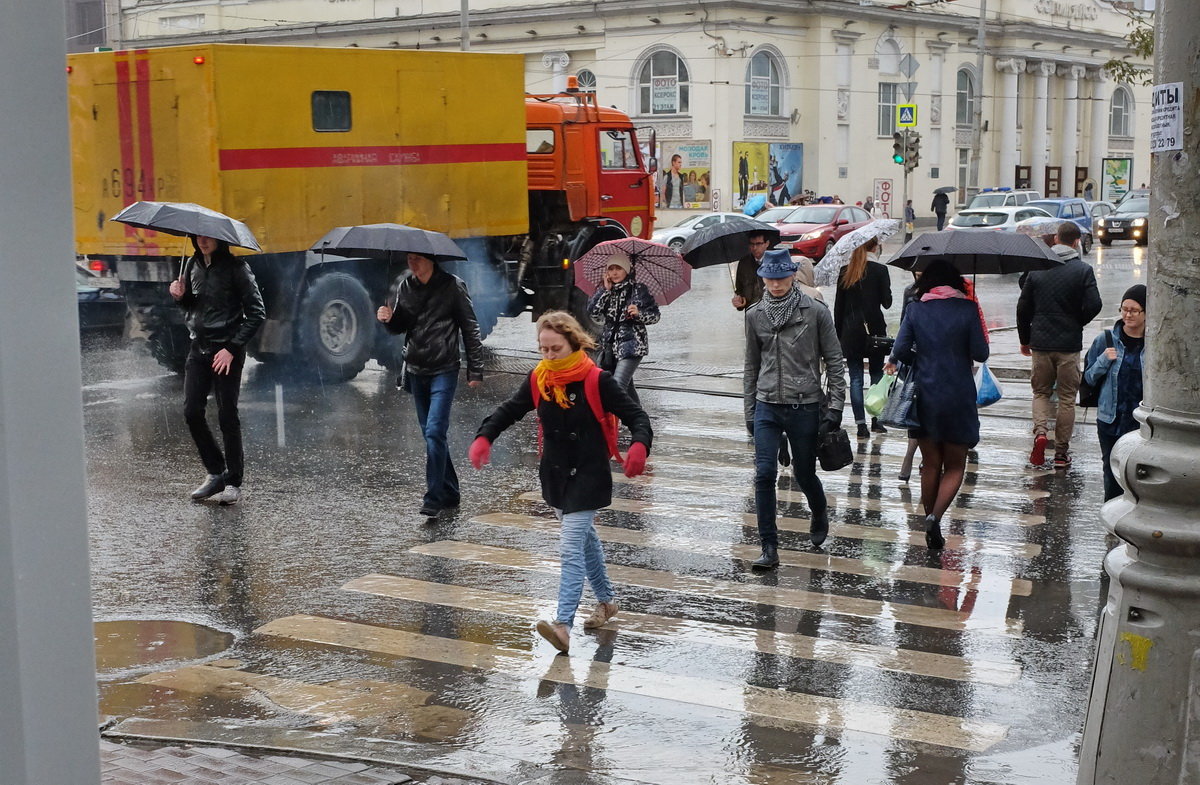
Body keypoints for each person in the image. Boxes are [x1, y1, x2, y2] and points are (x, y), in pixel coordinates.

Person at [469, 311, 652, 654]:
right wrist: (485, 437)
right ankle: (607, 602)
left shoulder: (598, 380)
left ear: (573, 343)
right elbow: (509, 409)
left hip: (589, 475)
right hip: (554, 476)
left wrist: (639, 446)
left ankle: (562, 625)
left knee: (570, 549)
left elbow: (637, 416)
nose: (550, 357)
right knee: (585, 542)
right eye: (544, 349)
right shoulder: (539, 378)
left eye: (556, 349)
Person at [744, 250, 847, 563]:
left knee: (804, 473)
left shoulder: (815, 311)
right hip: (767, 405)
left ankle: (819, 511)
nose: (775, 285)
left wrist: (836, 407)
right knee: (764, 474)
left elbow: (834, 359)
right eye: (770, 278)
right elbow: (751, 365)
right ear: (763, 277)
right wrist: (749, 411)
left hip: (805, 405)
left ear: (792, 276)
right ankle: (769, 547)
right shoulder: (754, 314)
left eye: (781, 277)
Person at [885, 260, 989, 550]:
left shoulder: (917, 308)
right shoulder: (967, 308)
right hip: (958, 394)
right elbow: (981, 352)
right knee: (955, 466)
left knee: (930, 464)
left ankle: (930, 518)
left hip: (925, 393)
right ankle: (935, 517)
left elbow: (901, 350)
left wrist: (925, 352)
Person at [377, 252, 485, 518]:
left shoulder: (452, 286)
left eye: (417, 259)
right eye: (409, 259)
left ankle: (433, 498)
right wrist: (389, 319)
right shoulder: (407, 286)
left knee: (435, 431)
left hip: (444, 369)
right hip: (416, 369)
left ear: (431, 260)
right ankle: (451, 491)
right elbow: (402, 325)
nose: (412, 263)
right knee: (431, 434)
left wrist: (475, 369)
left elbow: (470, 328)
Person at [169, 235, 266, 505]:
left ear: (220, 240)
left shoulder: (237, 269)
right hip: (198, 348)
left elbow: (257, 312)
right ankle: (215, 473)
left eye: (207, 237)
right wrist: (180, 297)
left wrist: (232, 348)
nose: (202, 241)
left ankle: (233, 481)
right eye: (197, 236)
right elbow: (193, 307)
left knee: (226, 415)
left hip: (226, 351)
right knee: (191, 412)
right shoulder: (192, 265)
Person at [1015, 221, 1103, 468]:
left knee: (1041, 392)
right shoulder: (1083, 270)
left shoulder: (1037, 269)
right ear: (1076, 242)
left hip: (1040, 343)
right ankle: (1062, 454)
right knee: (1066, 398)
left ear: (1055, 239)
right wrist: (1077, 322)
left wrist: (1025, 339)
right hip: (1069, 345)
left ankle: (1041, 432)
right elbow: (1095, 304)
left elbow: (1023, 307)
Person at [1083, 285, 1146, 501]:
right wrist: (1103, 360)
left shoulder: (1154, 344)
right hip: (1110, 418)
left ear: (1146, 313)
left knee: (1140, 472)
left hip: (1141, 422)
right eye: (1124, 309)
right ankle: (1111, 518)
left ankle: (1135, 515)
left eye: (1134, 310)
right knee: (1111, 470)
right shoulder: (1106, 340)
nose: (1128, 315)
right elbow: (1089, 378)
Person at [834, 237, 893, 438]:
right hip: (874, 331)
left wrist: (838, 336)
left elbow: (838, 309)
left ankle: (861, 426)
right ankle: (877, 421)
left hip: (851, 333)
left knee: (856, 378)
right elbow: (887, 303)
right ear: (875, 247)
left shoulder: (845, 271)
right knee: (876, 376)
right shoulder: (880, 271)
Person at [588, 252, 659, 405]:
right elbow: (593, 313)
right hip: (610, 348)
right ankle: (639, 422)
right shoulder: (604, 290)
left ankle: (610, 425)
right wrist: (606, 292)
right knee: (628, 390)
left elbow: (655, 316)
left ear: (627, 270)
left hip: (632, 346)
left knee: (617, 386)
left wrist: (639, 314)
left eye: (618, 268)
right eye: (611, 269)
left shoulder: (639, 290)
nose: (614, 272)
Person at [731, 232, 771, 312]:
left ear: (767, 243)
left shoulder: (774, 262)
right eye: (751, 244)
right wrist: (739, 301)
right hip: (751, 312)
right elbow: (740, 290)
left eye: (759, 244)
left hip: (771, 312)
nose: (754, 248)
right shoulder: (744, 263)